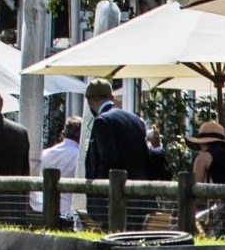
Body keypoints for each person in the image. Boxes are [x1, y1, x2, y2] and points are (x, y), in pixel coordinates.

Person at [82, 80, 157, 224]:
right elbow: (146, 157)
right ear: (111, 97)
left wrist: (98, 193)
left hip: (115, 199)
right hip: (140, 197)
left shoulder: (102, 121)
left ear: (90, 100)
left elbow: (108, 160)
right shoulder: (136, 120)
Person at [30, 116, 85, 222]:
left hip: (44, 207)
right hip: (70, 210)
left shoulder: (45, 154)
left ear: (63, 134)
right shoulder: (80, 157)